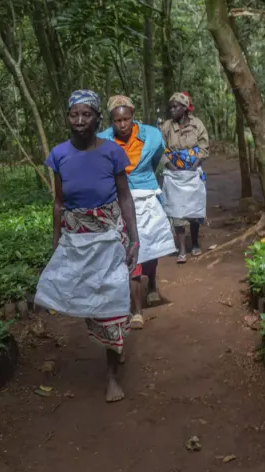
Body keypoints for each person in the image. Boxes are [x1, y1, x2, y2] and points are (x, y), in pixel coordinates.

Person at [34, 90, 139, 403]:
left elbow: (124, 197)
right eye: (74, 115)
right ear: (68, 118)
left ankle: (110, 376)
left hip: (109, 237)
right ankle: (114, 346)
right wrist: (56, 243)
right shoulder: (59, 155)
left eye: (86, 115)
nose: (79, 121)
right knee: (76, 297)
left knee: (110, 305)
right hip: (76, 239)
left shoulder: (111, 152)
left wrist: (134, 237)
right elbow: (58, 203)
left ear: (97, 119)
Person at [98, 95, 175, 329]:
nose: (122, 124)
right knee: (130, 246)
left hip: (146, 194)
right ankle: (136, 309)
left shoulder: (151, 135)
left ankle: (152, 281)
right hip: (119, 198)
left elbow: (155, 159)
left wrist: (141, 179)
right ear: (111, 121)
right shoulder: (102, 140)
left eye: (126, 119)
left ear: (133, 116)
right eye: (117, 120)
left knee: (150, 244)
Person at [160, 92, 210, 263]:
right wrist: (171, 166)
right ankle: (181, 247)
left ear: (184, 108)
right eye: (171, 107)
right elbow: (161, 149)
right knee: (176, 211)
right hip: (174, 174)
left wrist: (194, 166)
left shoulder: (197, 125)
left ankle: (195, 242)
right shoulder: (166, 126)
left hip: (193, 172)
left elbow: (204, 146)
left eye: (176, 107)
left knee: (194, 210)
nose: (172, 110)